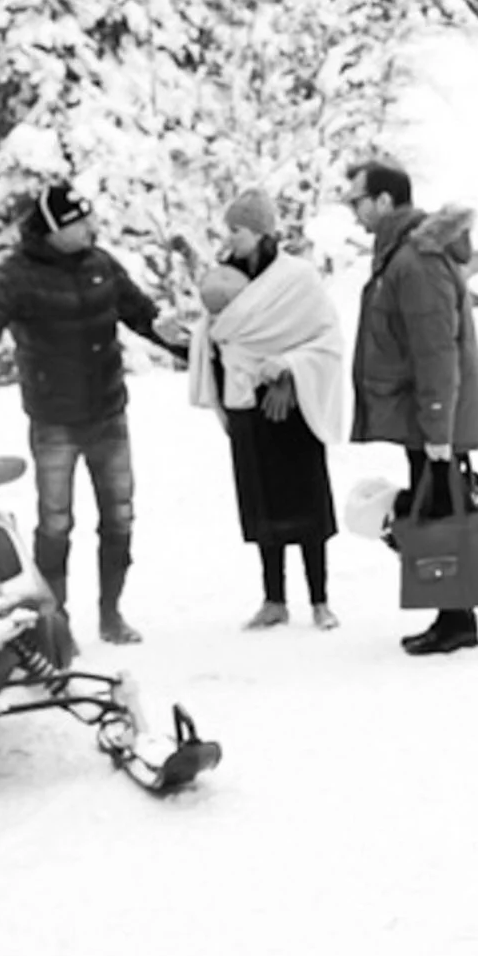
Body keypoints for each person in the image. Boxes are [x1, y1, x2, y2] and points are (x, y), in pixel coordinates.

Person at [0, 183, 183, 647]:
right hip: (54, 420)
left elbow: (144, 316)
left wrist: (194, 347)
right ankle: (55, 622)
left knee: (119, 517)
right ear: (56, 230)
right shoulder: (16, 277)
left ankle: (111, 614)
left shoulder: (101, 265)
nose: (91, 228)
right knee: (56, 522)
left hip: (108, 414)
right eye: (79, 222)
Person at [343, 159, 478, 658]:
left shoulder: (416, 260)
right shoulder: (401, 255)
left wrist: (436, 424)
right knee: (437, 511)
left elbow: (436, 349)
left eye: (358, 200)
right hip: (423, 417)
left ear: (385, 201)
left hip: (432, 418)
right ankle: (451, 612)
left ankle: (456, 619)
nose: (354, 211)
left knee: (441, 514)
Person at [188, 189, 347, 632]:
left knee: (307, 502)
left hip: (293, 407)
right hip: (246, 404)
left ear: (259, 231)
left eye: (236, 230)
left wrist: (289, 374)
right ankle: (273, 599)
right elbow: (220, 334)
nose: (230, 238)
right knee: (262, 503)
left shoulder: (298, 279)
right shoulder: (225, 278)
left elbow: (325, 340)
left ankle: (320, 599)